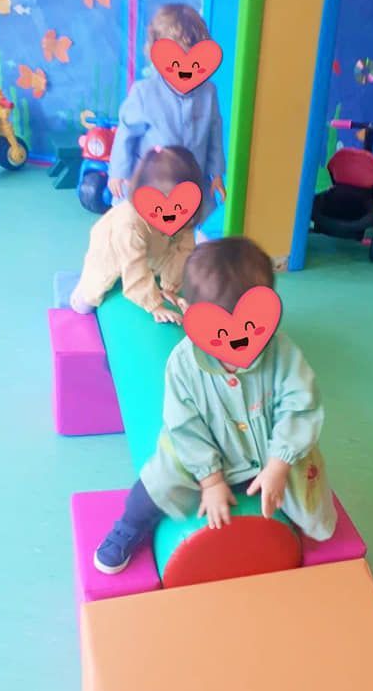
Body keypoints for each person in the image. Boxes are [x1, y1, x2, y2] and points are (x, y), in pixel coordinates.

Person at [94, 236, 337, 574]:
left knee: (309, 489)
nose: (237, 343)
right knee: (158, 481)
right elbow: (185, 426)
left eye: (251, 328)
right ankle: (128, 526)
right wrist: (210, 480)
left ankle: (299, 521)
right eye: (220, 333)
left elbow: (301, 406)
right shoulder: (182, 365)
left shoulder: (283, 353)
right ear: (186, 311)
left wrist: (279, 464)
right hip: (202, 453)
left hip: (270, 449)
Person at [107, 3, 226, 221]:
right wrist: (118, 172)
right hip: (152, 182)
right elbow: (126, 133)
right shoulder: (145, 93)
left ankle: (182, 250)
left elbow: (214, 135)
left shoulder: (208, 93)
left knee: (186, 226)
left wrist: (216, 173)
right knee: (142, 225)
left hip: (192, 181)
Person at [70, 146, 203, 323]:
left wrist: (170, 287)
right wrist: (154, 305)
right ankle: (78, 295)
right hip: (112, 251)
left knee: (164, 256)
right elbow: (134, 266)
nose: (173, 215)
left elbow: (184, 249)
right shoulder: (128, 225)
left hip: (154, 245)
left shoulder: (185, 215)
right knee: (87, 301)